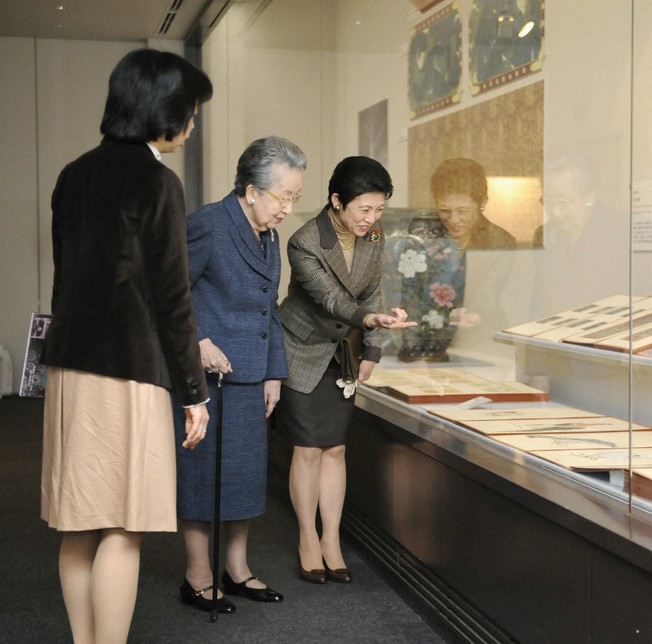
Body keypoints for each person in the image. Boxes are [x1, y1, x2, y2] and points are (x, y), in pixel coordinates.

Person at [40, 48, 213, 644]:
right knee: (122, 525)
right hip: (129, 370)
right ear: (163, 108)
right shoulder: (157, 182)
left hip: (69, 366)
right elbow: (173, 300)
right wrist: (195, 393)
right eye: (190, 110)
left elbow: (66, 282)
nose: (192, 123)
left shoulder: (71, 175)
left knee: (78, 524)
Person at [174, 136, 306, 613]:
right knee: (201, 476)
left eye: (295, 197)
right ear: (252, 190)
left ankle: (237, 569)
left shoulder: (267, 235)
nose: (288, 208)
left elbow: (268, 308)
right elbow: (171, 295)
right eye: (283, 196)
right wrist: (201, 341)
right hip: (207, 379)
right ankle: (197, 576)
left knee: (245, 479)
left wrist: (275, 373)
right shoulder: (209, 224)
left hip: (251, 378)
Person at [276, 156, 416, 584]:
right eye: (364, 209)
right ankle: (306, 538)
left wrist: (372, 349)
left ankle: (331, 539)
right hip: (302, 350)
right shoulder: (304, 241)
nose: (372, 219)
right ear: (337, 201)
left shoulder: (374, 234)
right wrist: (371, 322)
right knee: (308, 449)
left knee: (335, 448)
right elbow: (331, 301)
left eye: (379, 210)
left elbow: (373, 289)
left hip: (343, 353)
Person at [430, 157, 516, 249]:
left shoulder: (500, 241)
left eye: (462, 211)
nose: (453, 220)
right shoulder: (425, 235)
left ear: (482, 203)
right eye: (444, 211)